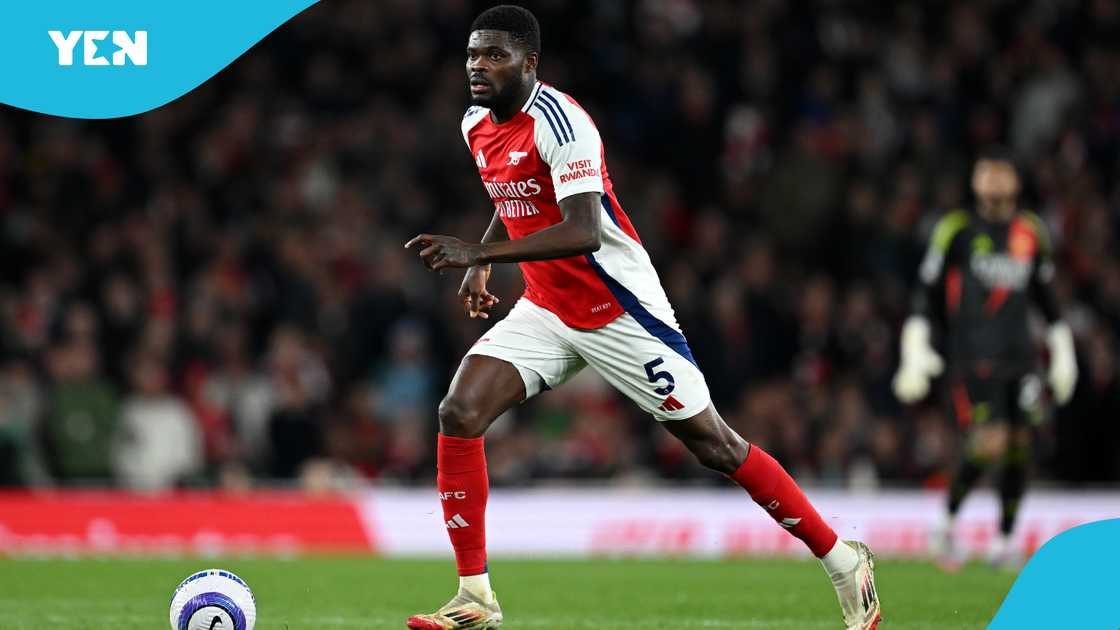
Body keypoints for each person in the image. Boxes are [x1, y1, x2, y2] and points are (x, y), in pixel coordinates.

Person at [403, 6, 880, 629]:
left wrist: (478, 253)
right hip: (548, 306)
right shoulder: (475, 123)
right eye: (472, 55)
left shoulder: (563, 123)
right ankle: (475, 596)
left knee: (715, 444)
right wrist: (481, 265)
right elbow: (511, 193)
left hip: (618, 309)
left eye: (495, 55)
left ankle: (843, 561)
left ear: (529, 63)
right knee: (459, 410)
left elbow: (581, 230)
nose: (478, 66)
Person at [893, 153, 1078, 569]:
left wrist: (1062, 350)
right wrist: (915, 346)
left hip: (1021, 359)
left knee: (1020, 446)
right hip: (973, 357)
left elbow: (1046, 297)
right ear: (975, 182)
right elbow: (926, 290)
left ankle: (1005, 540)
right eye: (986, 172)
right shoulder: (956, 230)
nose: (993, 180)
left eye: (1001, 172)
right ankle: (945, 521)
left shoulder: (1031, 232)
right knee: (989, 441)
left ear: (1015, 181)